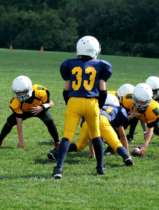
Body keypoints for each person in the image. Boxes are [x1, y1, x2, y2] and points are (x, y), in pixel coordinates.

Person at [52, 35, 112, 179]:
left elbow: (66, 90)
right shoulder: (101, 65)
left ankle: (59, 168)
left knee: (67, 136)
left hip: (74, 102)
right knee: (96, 135)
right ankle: (100, 166)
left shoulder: (69, 63)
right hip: (92, 103)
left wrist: (70, 104)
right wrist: (99, 107)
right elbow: (103, 91)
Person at [0, 76, 60, 156]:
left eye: (24, 91)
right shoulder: (15, 102)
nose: (21, 95)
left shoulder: (40, 92)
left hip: (39, 109)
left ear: (29, 88)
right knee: (10, 121)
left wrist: (42, 107)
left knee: (49, 119)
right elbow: (19, 122)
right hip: (24, 111)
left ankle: (57, 142)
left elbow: (51, 103)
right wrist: (21, 140)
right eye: (18, 92)